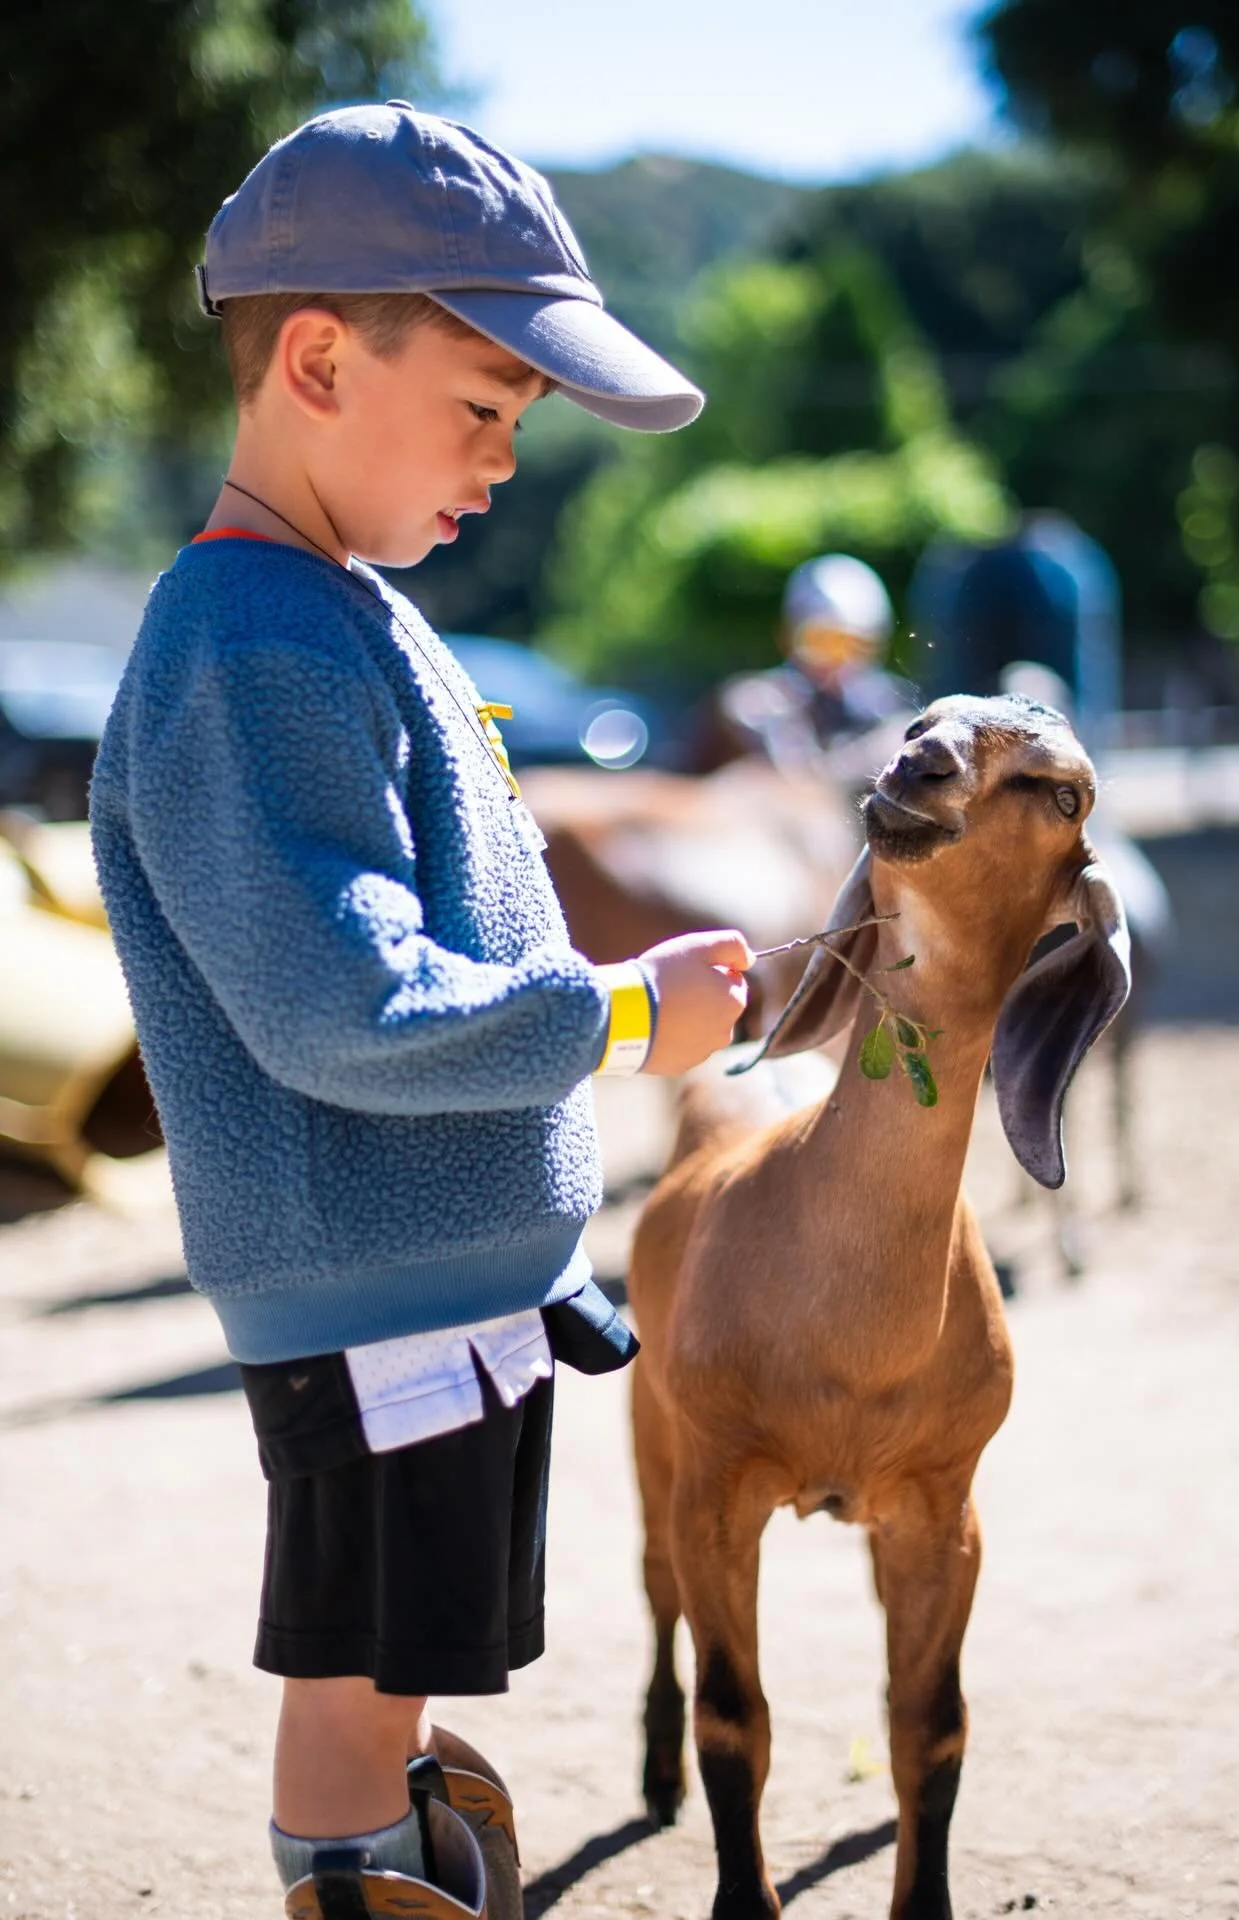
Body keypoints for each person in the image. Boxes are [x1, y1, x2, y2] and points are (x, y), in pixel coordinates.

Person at [88, 103, 753, 1920]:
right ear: (318, 362)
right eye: (483, 405)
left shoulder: (341, 610)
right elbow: (344, 1002)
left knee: (400, 1673)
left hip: (440, 1290)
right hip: (371, 1299)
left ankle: (403, 1849)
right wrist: (622, 1021)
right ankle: (357, 1870)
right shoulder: (247, 641)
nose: (507, 459)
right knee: (358, 1676)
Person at [705, 552, 916, 778]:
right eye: (823, 642)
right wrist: (869, 756)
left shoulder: (886, 704)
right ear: (787, 638)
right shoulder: (761, 703)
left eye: (856, 645)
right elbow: (797, 781)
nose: (840, 660)